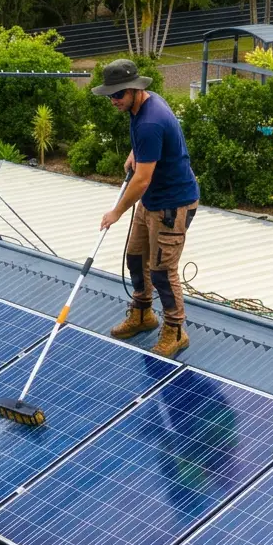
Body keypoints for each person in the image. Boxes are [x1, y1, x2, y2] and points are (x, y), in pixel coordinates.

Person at [92, 59, 199, 358]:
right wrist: (136, 152)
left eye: (118, 95)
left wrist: (116, 212)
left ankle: (175, 331)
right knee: (137, 258)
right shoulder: (142, 106)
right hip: (152, 200)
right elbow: (149, 146)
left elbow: (141, 180)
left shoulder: (151, 121)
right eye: (110, 95)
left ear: (134, 90)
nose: (113, 100)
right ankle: (142, 314)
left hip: (172, 205)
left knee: (162, 271)